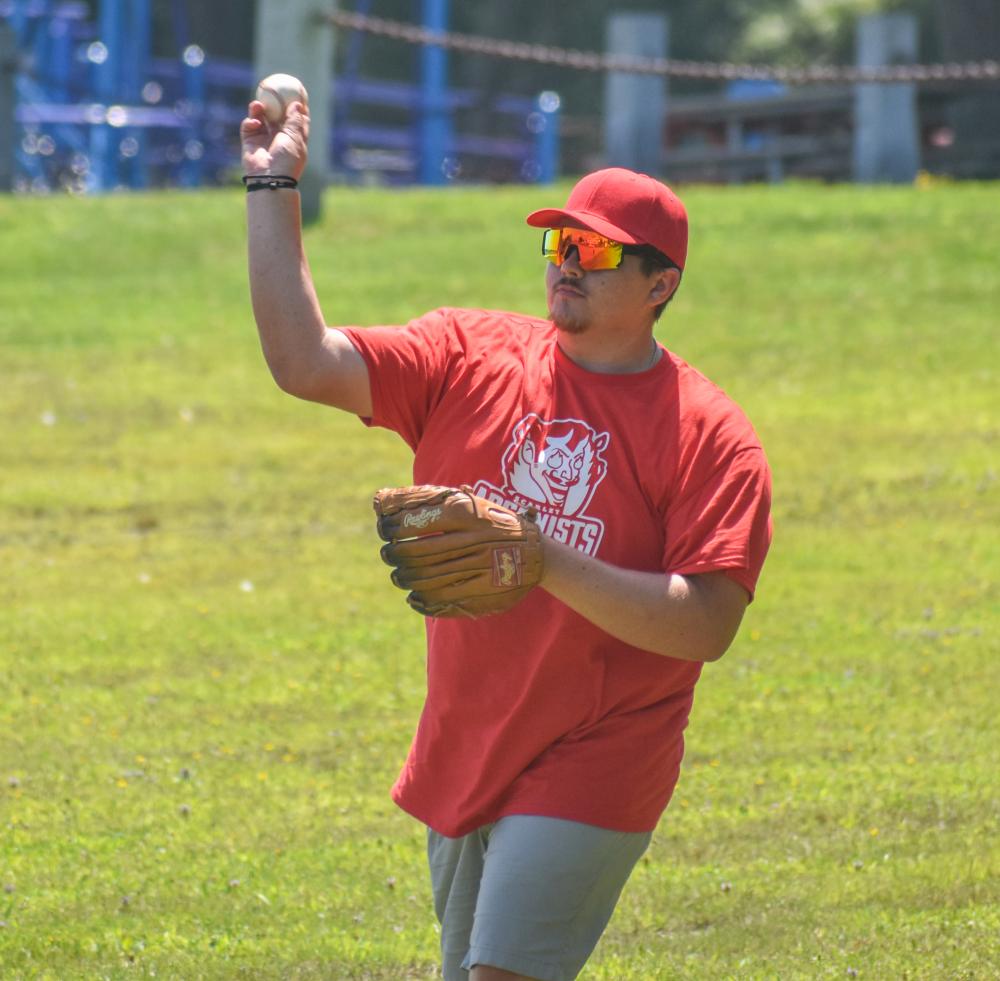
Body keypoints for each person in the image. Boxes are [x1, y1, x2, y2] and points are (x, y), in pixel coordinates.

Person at [241, 95, 772, 981]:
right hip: (469, 738)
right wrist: (272, 184)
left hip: (603, 750)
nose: (567, 263)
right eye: (560, 244)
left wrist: (544, 556)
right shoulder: (466, 354)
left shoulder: (709, 433)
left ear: (660, 284)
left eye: (594, 251)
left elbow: (707, 624)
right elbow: (305, 362)